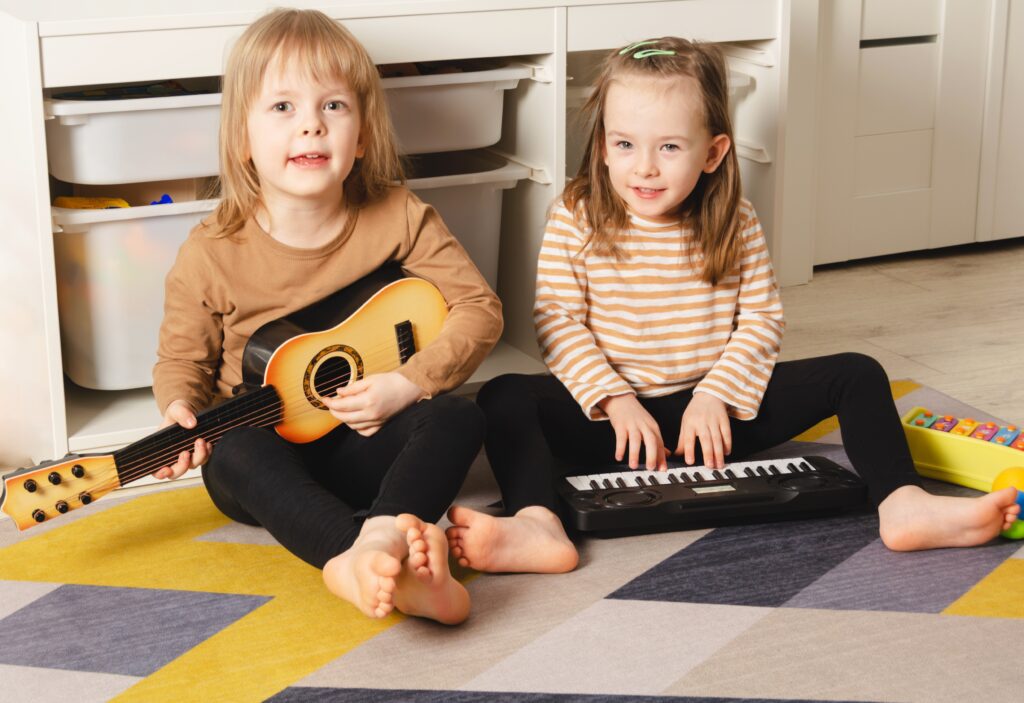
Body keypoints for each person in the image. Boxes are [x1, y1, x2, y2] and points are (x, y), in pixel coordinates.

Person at [445, 37, 1020, 574]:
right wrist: (616, 401)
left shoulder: (735, 218)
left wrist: (715, 395)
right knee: (503, 396)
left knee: (857, 372)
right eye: (624, 145)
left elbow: (763, 318)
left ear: (713, 152)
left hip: (715, 423)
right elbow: (558, 320)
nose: (644, 166)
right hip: (617, 428)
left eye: (669, 147)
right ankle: (538, 525)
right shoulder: (577, 215)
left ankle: (903, 503)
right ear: (602, 146)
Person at [151, 8, 503, 625]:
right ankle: (357, 553)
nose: (311, 126)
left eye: (333, 107)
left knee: (456, 416)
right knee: (232, 445)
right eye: (282, 108)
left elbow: (479, 308)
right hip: (268, 462)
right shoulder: (209, 251)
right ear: (242, 139)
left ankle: (376, 548)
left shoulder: (398, 213)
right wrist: (178, 406)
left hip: (368, 445)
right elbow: (184, 361)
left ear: (362, 136)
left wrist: (407, 383)